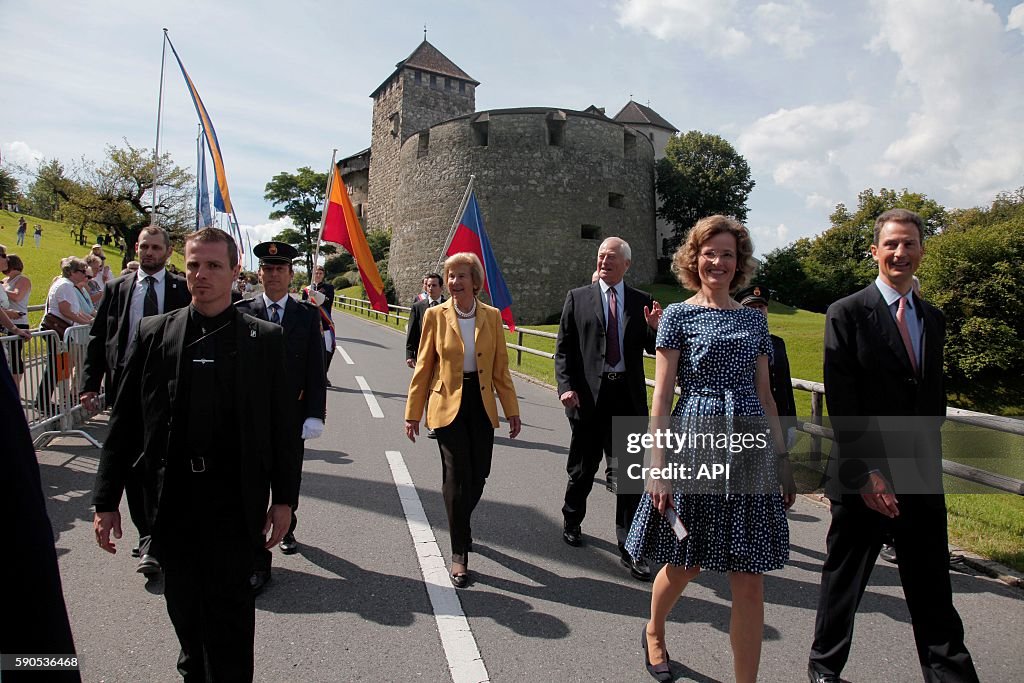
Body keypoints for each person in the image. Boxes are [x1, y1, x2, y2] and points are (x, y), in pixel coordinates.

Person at [93, 228, 298, 682]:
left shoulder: (263, 339)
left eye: (213, 266)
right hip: (174, 502)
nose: (200, 275)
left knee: (230, 625)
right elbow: (125, 421)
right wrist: (105, 501)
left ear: (234, 271)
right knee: (186, 621)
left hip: (233, 503)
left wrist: (284, 499)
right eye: (192, 265)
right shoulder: (155, 333)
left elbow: (282, 426)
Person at [807, 209, 979, 683]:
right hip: (863, 470)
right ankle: (825, 668)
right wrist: (868, 473)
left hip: (918, 468)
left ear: (921, 250)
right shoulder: (847, 313)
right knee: (846, 580)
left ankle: (951, 674)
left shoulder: (933, 318)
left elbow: (931, 394)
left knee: (931, 586)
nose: (900, 253)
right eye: (891, 245)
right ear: (875, 251)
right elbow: (843, 400)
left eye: (909, 244)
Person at [625, 215, 795, 683]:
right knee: (685, 562)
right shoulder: (678, 316)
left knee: (750, 577)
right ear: (694, 259)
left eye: (728, 254)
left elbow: (766, 395)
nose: (718, 261)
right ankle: (654, 630)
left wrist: (783, 463)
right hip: (693, 439)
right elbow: (661, 395)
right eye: (710, 252)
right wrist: (656, 466)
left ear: (739, 264)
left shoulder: (752, 322)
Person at [404, 252, 521, 588]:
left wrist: (512, 410)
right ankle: (459, 554)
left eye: (460, 276)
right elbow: (424, 367)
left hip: (481, 402)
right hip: (446, 403)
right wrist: (413, 413)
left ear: (475, 281)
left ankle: (460, 523)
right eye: (450, 276)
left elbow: (501, 370)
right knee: (456, 475)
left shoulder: (492, 317)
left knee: (479, 474)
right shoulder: (435, 316)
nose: (454, 282)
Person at [81, 226, 190, 575]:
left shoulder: (181, 289)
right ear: (136, 248)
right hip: (125, 390)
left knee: (161, 462)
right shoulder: (117, 290)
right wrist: (89, 383)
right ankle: (147, 537)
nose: (149, 253)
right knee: (129, 463)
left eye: (156, 247)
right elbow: (100, 338)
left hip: (168, 391)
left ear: (168, 252)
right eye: (144, 246)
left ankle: (161, 534)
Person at [554, 236, 661, 581]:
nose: (605, 261)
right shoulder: (578, 297)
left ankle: (631, 547)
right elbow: (564, 350)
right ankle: (572, 519)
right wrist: (566, 388)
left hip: (626, 400)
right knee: (582, 470)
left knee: (627, 478)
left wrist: (656, 330)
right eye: (601, 256)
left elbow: (652, 349)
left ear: (626, 264)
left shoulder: (641, 301)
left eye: (612, 257)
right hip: (588, 400)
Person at [236, 241, 326, 595]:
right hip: (250, 417)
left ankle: (287, 526)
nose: (273, 275)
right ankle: (259, 560)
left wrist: (315, 413)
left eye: (280, 269)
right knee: (253, 486)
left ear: (291, 275)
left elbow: (315, 368)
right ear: (259, 274)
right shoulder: (242, 310)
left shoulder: (306, 314)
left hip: (291, 415)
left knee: (288, 477)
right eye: (267, 269)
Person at [737, 284, 798, 447]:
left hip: (779, 421)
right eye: (751, 307)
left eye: (761, 306)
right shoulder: (734, 345)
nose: (758, 311)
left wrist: (791, 424)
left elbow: (785, 384)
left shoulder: (777, 344)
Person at [36, 257, 94, 413]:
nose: (85, 275)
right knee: (55, 367)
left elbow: (77, 311)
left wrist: (89, 320)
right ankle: (42, 402)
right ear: (72, 272)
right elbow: (66, 311)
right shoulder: (65, 286)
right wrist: (85, 322)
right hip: (57, 331)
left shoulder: (68, 285)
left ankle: (43, 400)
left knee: (57, 367)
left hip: (61, 331)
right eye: (82, 272)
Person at [405, 272, 446, 438]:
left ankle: (443, 421)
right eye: (428, 285)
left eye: (434, 285)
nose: (430, 288)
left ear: (441, 288)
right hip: (424, 356)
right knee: (428, 390)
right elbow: (412, 332)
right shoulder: (419, 306)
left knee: (443, 390)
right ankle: (433, 423)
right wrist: (410, 354)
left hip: (445, 357)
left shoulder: (449, 305)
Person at [2, 252, 33, 390]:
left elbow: (17, 296)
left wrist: (2, 290)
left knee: (14, 357)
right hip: (5, 321)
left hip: (18, 321)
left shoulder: (23, 279)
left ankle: (15, 388)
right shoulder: (4, 281)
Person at [302, 264, 336, 387]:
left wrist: (316, 295)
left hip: (325, 323)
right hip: (311, 323)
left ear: (323, 275)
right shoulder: (306, 289)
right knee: (309, 350)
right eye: (316, 273)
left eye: (320, 273)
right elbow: (304, 306)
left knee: (328, 351)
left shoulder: (329, 288)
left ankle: (324, 374)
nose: (318, 275)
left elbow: (327, 301)